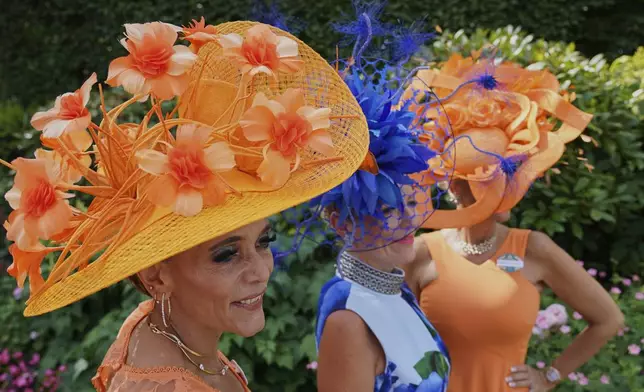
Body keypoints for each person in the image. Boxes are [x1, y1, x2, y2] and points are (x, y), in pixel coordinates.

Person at [1, 19, 369, 391]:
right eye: (226, 255)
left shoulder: (157, 330)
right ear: (156, 276)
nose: (260, 271)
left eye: (263, 241)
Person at [404, 51, 625, 391]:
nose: (505, 187)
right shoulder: (421, 252)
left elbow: (609, 320)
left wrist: (549, 376)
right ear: (455, 186)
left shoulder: (533, 248)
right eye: (486, 177)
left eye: (509, 173)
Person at [307, 7, 451, 391]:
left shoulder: (390, 287)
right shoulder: (349, 317)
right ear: (338, 222)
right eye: (387, 208)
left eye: (409, 203)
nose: (408, 221)